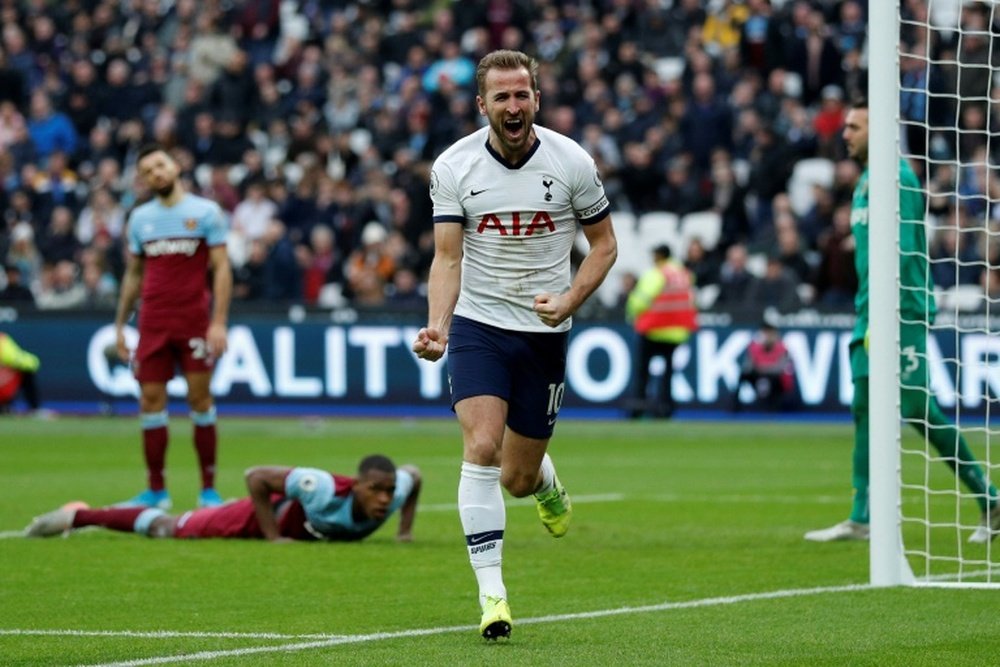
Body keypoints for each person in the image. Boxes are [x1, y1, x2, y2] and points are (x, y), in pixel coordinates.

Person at [412, 49, 617, 640]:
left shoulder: (571, 160)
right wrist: (439, 326)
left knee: (517, 478)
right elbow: (447, 257)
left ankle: (546, 484)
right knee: (481, 446)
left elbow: (604, 246)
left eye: (521, 94)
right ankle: (492, 596)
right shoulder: (454, 166)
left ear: (536, 99)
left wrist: (570, 301)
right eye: (501, 96)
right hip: (479, 326)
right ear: (482, 105)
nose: (513, 105)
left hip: (544, 331)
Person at [805, 98, 1000, 544]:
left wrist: (903, 308)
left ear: (880, 131)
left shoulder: (899, 178)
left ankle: (990, 499)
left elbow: (910, 250)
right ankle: (861, 515)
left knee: (917, 410)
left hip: (900, 310)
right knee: (864, 410)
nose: (846, 133)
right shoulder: (866, 184)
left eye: (855, 126)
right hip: (867, 312)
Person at [113, 143, 233, 511]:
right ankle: (156, 491)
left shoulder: (206, 213)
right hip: (153, 323)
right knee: (150, 403)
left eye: (160, 165)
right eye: (148, 171)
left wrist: (219, 322)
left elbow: (222, 268)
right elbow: (134, 275)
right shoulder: (140, 219)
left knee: (200, 400)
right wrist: (120, 324)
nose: (156, 174)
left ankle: (209, 491)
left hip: (193, 321)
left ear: (176, 166)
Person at [26, 455, 421, 543]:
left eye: (389, 491)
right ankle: (80, 516)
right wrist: (271, 537)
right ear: (355, 486)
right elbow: (257, 477)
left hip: (274, 518)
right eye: (376, 490)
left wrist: (404, 531)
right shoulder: (319, 487)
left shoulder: (397, 489)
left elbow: (414, 475)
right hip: (254, 517)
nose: (386, 498)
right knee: (168, 529)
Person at [625, 244, 698, 419]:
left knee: (643, 371)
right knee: (668, 373)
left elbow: (640, 300)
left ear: (658, 256)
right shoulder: (684, 274)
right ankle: (665, 408)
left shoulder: (656, 274)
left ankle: (639, 407)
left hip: (653, 329)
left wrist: (631, 314)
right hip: (676, 332)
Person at [732, 319, 796, 412]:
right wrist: (760, 369)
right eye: (766, 333)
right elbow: (749, 365)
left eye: (770, 334)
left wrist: (763, 368)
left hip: (775, 378)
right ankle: (735, 406)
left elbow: (780, 368)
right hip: (759, 374)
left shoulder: (782, 348)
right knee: (744, 375)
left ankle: (773, 407)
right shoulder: (755, 347)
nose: (768, 336)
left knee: (775, 379)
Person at [0, 331, 44, 415]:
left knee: (27, 371)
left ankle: (34, 409)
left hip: (4, 388)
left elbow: (31, 363)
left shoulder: (2, 340)